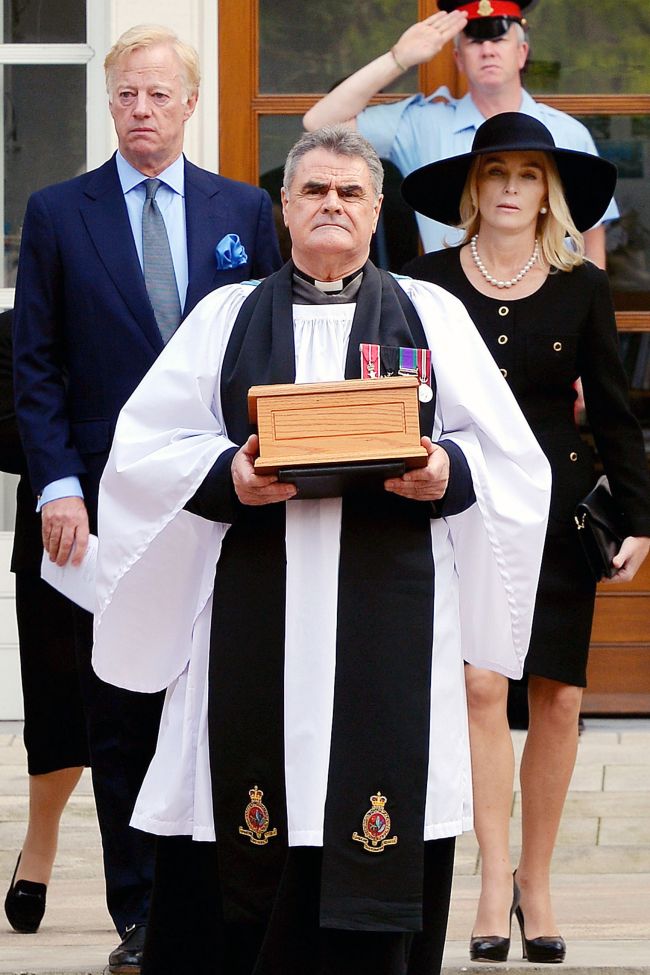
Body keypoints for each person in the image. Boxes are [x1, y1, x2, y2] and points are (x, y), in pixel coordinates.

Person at [91, 125, 551, 975]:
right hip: (249, 626)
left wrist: (445, 469)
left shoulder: (431, 315)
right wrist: (227, 471)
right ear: (284, 209)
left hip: (390, 631)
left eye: (349, 193)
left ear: (378, 211)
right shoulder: (223, 319)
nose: (331, 206)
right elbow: (142, 453)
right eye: (314, 192)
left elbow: (514, 464)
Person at [12, 23, 281, 972]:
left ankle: (221, 901)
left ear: (190, 102)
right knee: (116, 707)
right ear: (110, 101)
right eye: (127, 93)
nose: (142, 110)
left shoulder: (243, 207)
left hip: (215, 496)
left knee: (207, 702)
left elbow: (265, 355)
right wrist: (57, 486)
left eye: (160, 94)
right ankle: (140, 914)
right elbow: (33, 367)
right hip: (93, 510)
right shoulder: (57, 212)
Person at [400, 111, 650, 963]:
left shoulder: (581, 287)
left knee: (559, 695)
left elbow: (614, 410)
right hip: (461, 505)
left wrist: (643, 518)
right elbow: (405, 397)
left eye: (528, 176)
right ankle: (489, 875)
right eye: (497, 173)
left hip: (559, 511)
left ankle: (534, 882)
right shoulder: (426, 281)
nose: (511, 188)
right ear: (475, 188)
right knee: (478, 687)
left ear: (550, 195)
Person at [302, 0, 616, 268]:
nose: (488, 51)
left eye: (500, 40)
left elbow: (590, 240)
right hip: (450, 309)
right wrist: (399, 58)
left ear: (522, 53)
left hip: (548, 312)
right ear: (458, 59)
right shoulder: (422, 123)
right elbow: (320, 123)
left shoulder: (568, 132)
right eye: (476, 42)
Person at [0, 309, 88, 935]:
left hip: (167, 526)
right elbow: (7, 432)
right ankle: (40, 846)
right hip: (57, 544)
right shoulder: (16, 331)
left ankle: (147, 891)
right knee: (58, 709)